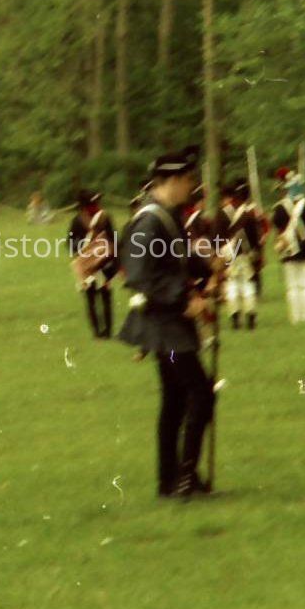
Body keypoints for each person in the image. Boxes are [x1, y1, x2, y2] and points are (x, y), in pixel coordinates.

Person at [117, 148, 215, 499]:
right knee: (200, 394)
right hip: (165, 330)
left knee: (176, 398)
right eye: (187, 179)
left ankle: (171, 479)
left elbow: (177, 259)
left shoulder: (167, 216)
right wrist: (185, 300)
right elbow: (140, 276)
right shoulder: (148, 221)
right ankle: (184, 478)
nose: (191, 185)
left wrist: (209, 268)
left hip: (170, 326)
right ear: (171, 180)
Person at [271, 168, 305, 324]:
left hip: (288, 249)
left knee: (292, 286)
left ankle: (296, 318)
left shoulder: (279, 208)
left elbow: (278, 230)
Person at [68, 191, 118, 339]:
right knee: (93, 300)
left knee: (103, 299)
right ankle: (99, 332)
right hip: (91, 266)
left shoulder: (103, 218)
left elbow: (113, 240)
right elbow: (71, 242)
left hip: (102, 264)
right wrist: (85, 250)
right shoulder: (78, 221)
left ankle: (106, 332)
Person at [217, 181, 266, 331]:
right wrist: (257, 254)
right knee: (248, 285)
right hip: (245, 255)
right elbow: (255, 238)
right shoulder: (247, 215)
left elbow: (216, 238)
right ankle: (250, 316)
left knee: (232, 285)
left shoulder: (220, 215)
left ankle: (235, 318)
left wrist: (220, 255)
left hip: (228, 255)